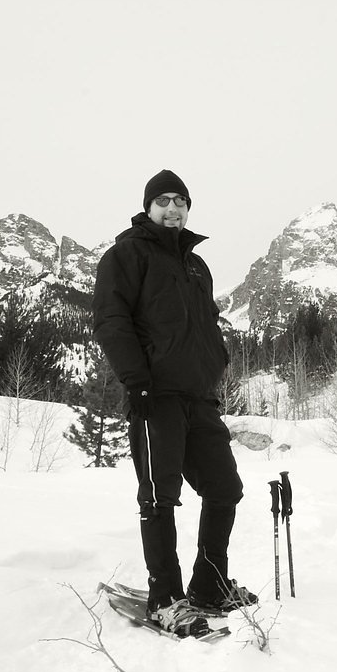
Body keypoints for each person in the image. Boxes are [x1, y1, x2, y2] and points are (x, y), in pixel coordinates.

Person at [93, 169, 257, 636]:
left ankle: (210, 586)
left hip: (199, 399)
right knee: (159, 496)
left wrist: (215, 363)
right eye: (163, 200)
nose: (173, 208)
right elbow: (110, 321)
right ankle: (165, 598)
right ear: (148, 207)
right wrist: (137, 382)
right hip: (155, 397)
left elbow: (206, 322)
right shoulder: (126, 255)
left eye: (181, 201)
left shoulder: (195, 265)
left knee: (224, 489)